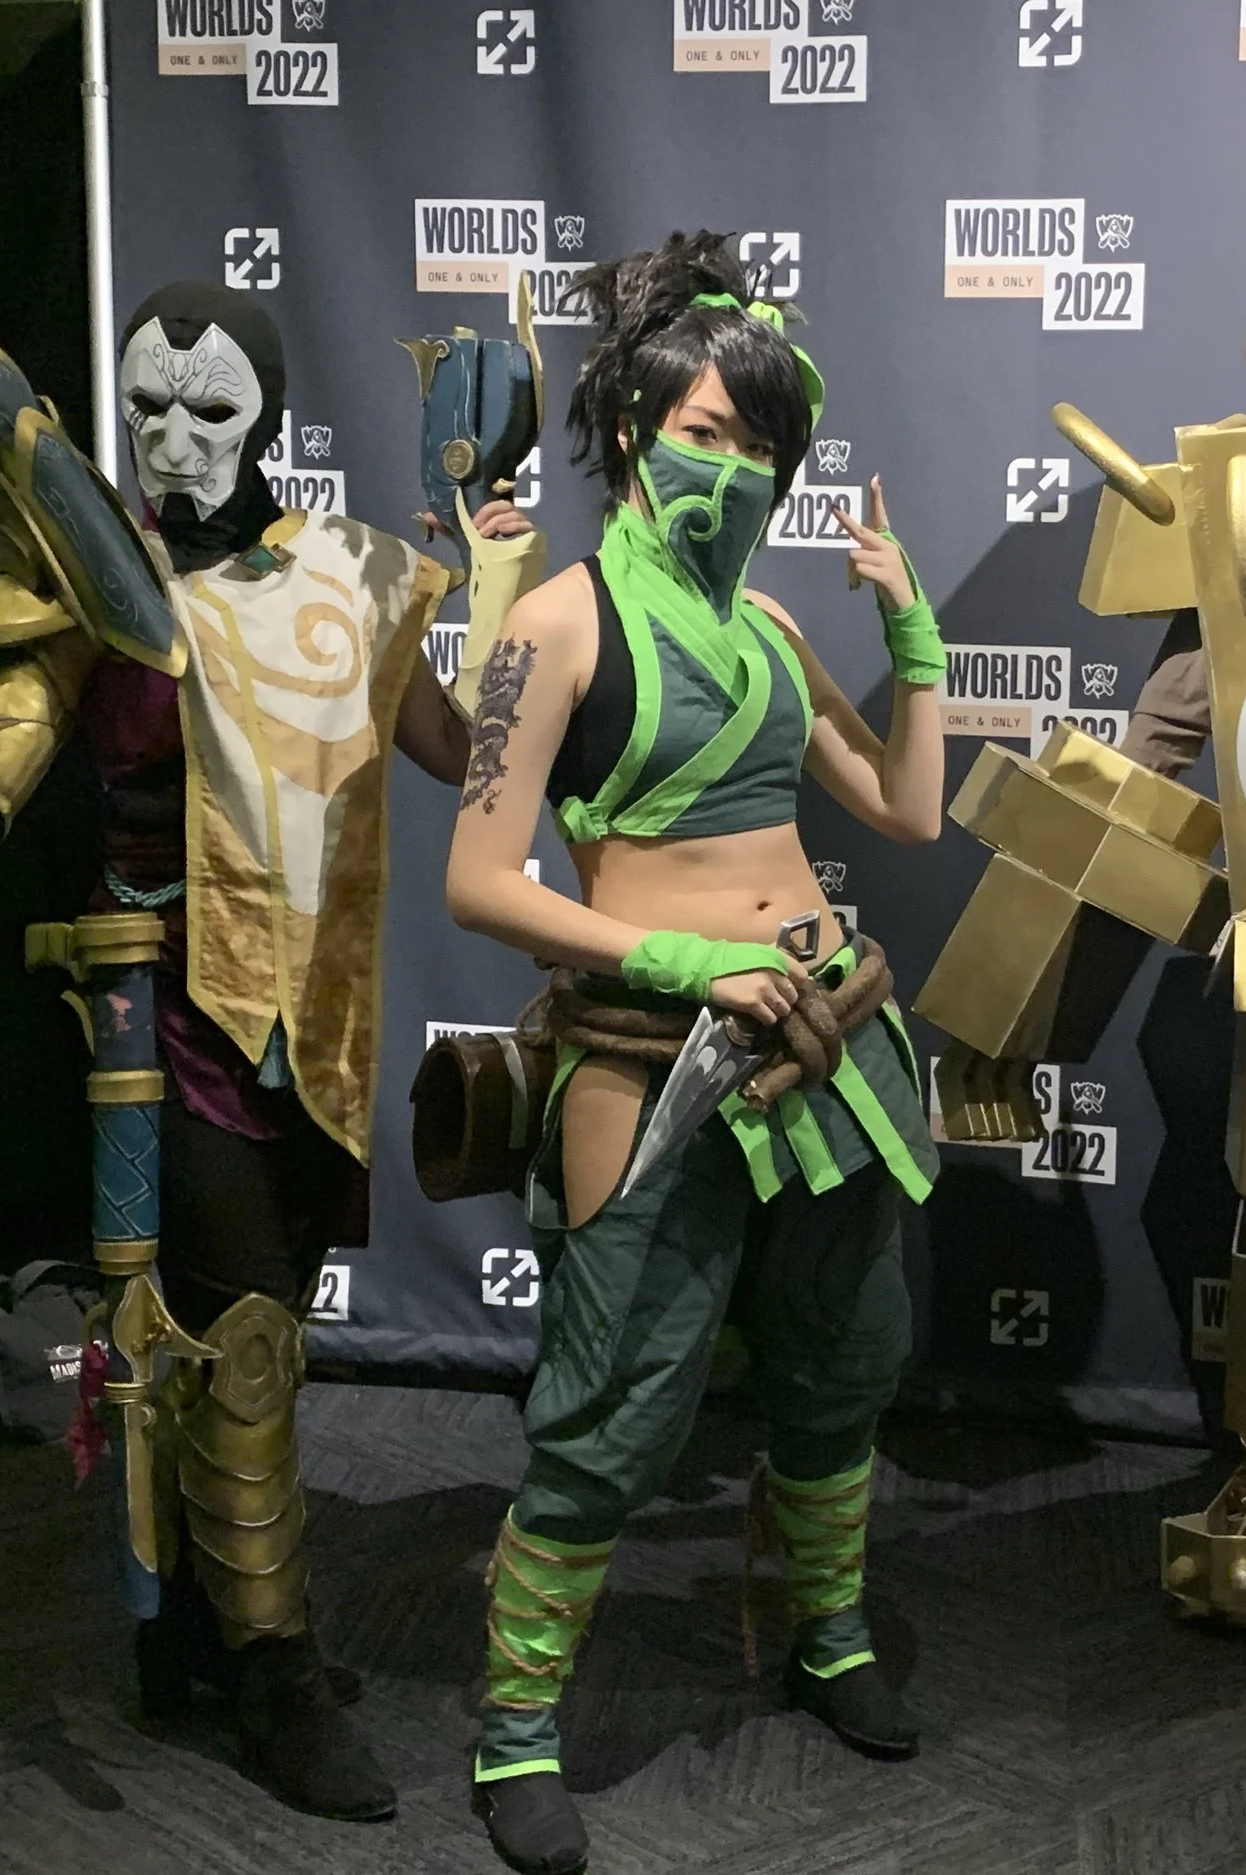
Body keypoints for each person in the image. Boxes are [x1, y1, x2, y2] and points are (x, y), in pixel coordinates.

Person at [0, 282, 532, 1823]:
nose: (171, 439)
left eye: (211, 408)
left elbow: (457, 746)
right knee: (245, 1343)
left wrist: (513, 602)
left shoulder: (359, 567)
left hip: (326, 1018)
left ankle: (204, 1635)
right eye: (145, 407)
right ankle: (278, 1668)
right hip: (167, 1019)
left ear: (270, 415)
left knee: (254, 1318)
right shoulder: (96, 584)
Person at [442, 232, 946, 1875]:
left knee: (843, 1360)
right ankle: (517, 1724)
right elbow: (477, 876)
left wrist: (918, 645)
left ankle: (832, 1630)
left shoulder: (783, 634)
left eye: (765, 446)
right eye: (708, 433)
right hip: (654, 1066)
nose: (734, 469)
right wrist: (674, 955)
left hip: (836, 1051)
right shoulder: (560, 629)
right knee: (612, 1406)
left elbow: (913, 811)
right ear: (635, 426)